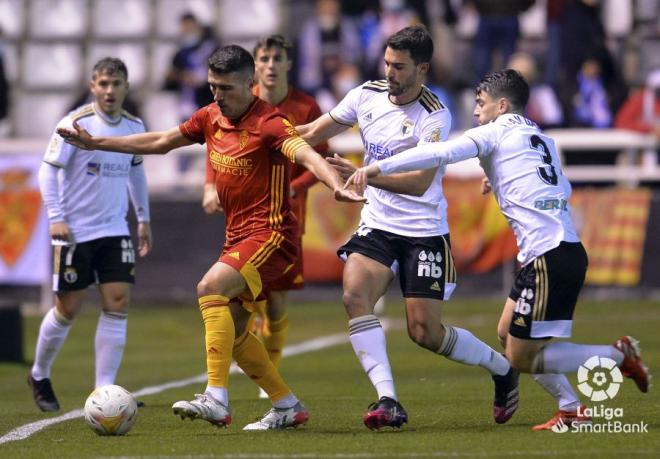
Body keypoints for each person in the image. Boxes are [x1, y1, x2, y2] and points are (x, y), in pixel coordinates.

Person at [57, 45, 365, 430]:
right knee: (234, 332)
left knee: (209, 287)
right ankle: (287, 405)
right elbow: (160, 142)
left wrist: (336, 183)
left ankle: (216, 397)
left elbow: (307, 156)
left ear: (250, 84)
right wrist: (98, 143)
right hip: (237, 237)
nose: (217, 95)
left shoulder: (270, 122)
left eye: (226, 88)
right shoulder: (211, 116)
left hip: (272, 235)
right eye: (212, 86)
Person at [347, 69, 650, 429]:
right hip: (556, 251)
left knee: (521, 357)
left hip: (548, 257)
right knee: (507, 332)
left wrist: (376, 167)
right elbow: (562, 188)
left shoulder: (495, 132)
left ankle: (617, 356)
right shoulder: (540, 138)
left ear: (501, 105)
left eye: (480, 104)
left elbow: (439, 152)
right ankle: (570, 407)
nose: (475, 112)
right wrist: (501, 176)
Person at [296, 25, 519, 431]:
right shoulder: (365, 95)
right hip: (378, 226)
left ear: (423, 69)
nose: (390, 73)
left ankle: (502, 369)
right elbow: (311, 134)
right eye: (387, 63)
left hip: (422, 231)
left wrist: (365, 176)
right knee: (354, 295)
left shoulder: (435, 115)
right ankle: (388, 399)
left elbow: (418, 183)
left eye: (399, 67)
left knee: (425, 332)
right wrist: (264, 140)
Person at [203, 35, 330, 399]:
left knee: (274, 305)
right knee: (242, 302)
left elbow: (317, 155)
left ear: (289, 64)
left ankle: (266, 379)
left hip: (284, 222)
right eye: (264, 58)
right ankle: (262, 388)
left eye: (277, 57)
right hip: (244, 221)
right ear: (254, 66)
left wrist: (297, 187)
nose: (271, 65)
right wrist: (209, 186)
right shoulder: (232, 103)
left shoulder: (304, 108)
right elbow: (213, 142)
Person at [28, 57, 152, 412]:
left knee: (118, 302)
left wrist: (143, 219)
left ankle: (105, 391)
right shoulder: (74, 123)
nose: (110, 91)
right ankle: (39, 374)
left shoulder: (133, 125)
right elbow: (47, 173)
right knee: (67, 309)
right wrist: (56, 217)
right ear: (92, 86)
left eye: (116, 84)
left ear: (126, 87)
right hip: (75, 231)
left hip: (115, 229)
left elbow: (136, 175)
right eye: (103, 84)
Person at [163, 12, 219, 122]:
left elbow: (221, 75)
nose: (187, 31)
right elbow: (169, 83)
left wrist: (199, 79)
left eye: (189, 27)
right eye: (184, 27)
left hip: (208, 104)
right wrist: (176, 76)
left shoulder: (212, 49)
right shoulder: (180, 54)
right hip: (185, 107)